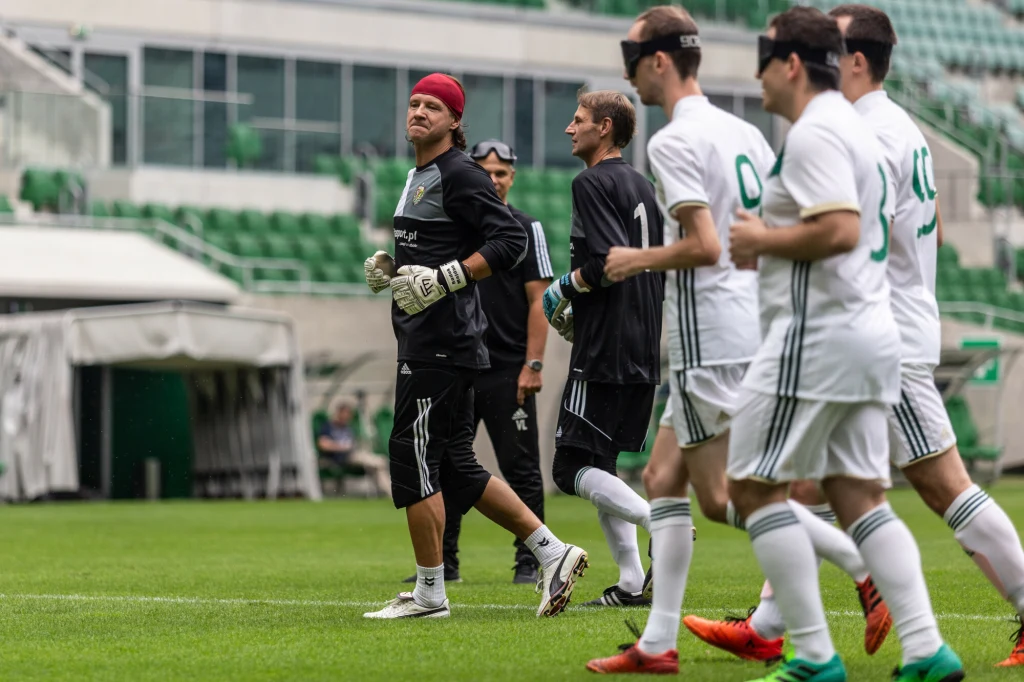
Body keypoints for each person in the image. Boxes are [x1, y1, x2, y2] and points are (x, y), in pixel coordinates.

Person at [696, 4, 1024, 670]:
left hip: (868, 326)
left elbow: (841, 229)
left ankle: (811, 641)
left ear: (853, 59)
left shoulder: (858, 133)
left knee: (940, 485)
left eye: (829, 47)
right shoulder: (891, 127)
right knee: (831, 486)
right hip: (888, 322)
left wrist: (764, 237)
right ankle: (772, 624)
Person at [585, 6, 888, 674]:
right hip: (748, 324)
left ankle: (865, 567)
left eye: (630, 54)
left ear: (659, 60)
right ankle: (658, 644)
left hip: (710, 341)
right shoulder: (744, 130)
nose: (626, 68)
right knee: (663, 478)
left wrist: (633, 260)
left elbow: (706, 245)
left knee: (729, 499)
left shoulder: (671, 141)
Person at [361, 73, 588, 620]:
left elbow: (508, 240)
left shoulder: (459, 171)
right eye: (414, 103)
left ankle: (429, 593)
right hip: (438, 340)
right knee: (456, 465)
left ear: (455, 120)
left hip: (438, 343)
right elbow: (438, 243)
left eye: (432, 106)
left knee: (412, 459)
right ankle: (552, 552)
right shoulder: (421, 172)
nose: (418, 112)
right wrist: (394, 267)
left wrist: (444, 281)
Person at [401, 138, 553, 585]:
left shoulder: (525, 228)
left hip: (508, 368)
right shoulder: (457, 226)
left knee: (521, 467)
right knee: (448, 462)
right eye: (485, 172)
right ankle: (444, 563)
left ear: (513, 178)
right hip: (462, 359)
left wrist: (535, 364)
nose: (494, 179)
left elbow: (539, 301)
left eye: (502, 173)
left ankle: (531, 561)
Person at [540, 89, 663, 610]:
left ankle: (664, 523)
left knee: (569, 468)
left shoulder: (591, 181)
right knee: (602, 464)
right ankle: (633, 582)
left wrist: (563, 288)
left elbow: (611, 262)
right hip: (642, 340)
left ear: (605, 128)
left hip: (606, 347)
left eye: (579, 120)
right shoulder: (643, 184)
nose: (570, 129)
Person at [317, 401, 391, 497]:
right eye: (345, 413)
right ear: (338, 413)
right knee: (378, 462)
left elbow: (353, 443)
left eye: (348, 414)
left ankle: (388, 492)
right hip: (340, 458)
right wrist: (341, 447)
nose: (347, 416)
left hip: (353, 456)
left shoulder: (348, 427)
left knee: (376, 468)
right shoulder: (328, 426)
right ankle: (391, 491)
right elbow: (323, 444)